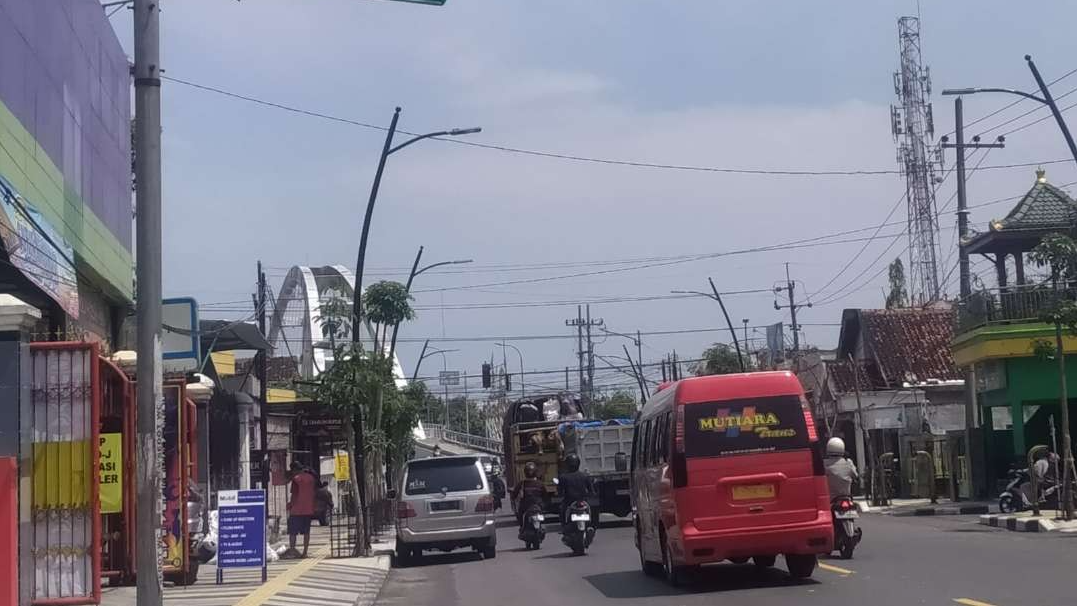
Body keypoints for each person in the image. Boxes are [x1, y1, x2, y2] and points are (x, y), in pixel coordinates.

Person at [285, 461, 317, 558]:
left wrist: (290, 505)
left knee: (292, 532)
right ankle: (305, 553)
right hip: (308, 510)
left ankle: (292, 551)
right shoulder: (311, 478)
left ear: (294, 469)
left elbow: (294, 495)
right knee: (306, 532)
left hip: (296, 510)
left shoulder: (296, 479)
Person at [557, 454, 594, 525]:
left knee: (562, 509)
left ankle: (564, 526)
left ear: (567, 464)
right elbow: (591, 491)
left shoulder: (563, 477)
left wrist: (559, 494)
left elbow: (560, 491)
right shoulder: (584, 476)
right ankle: (590, 525)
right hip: (583, 501)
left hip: (569, 502)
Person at [511, 461, 546, 533]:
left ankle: (522, 528)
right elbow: (545, 495)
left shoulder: (522, 483)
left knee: (519, 514)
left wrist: (513, 498)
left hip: (526, 506)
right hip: (538, 506)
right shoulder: (540, 484)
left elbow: (514, 494)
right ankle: (541, 527)